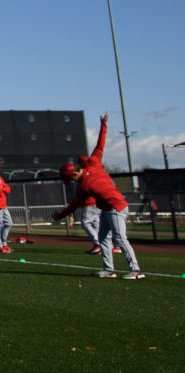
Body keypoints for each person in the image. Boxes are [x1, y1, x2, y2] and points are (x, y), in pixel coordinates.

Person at [52, 114, 143, 279]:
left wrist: (60, 215)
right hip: (108, 209)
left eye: (69, 178)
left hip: (116, 207)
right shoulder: (91, 166)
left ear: (72, 175)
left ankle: (135, 271)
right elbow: (100, 145)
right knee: (103, 238)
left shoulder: (85, 181)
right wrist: (103, 125)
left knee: (120, 238)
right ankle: (108, 270)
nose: (70, 180)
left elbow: (74, 205)